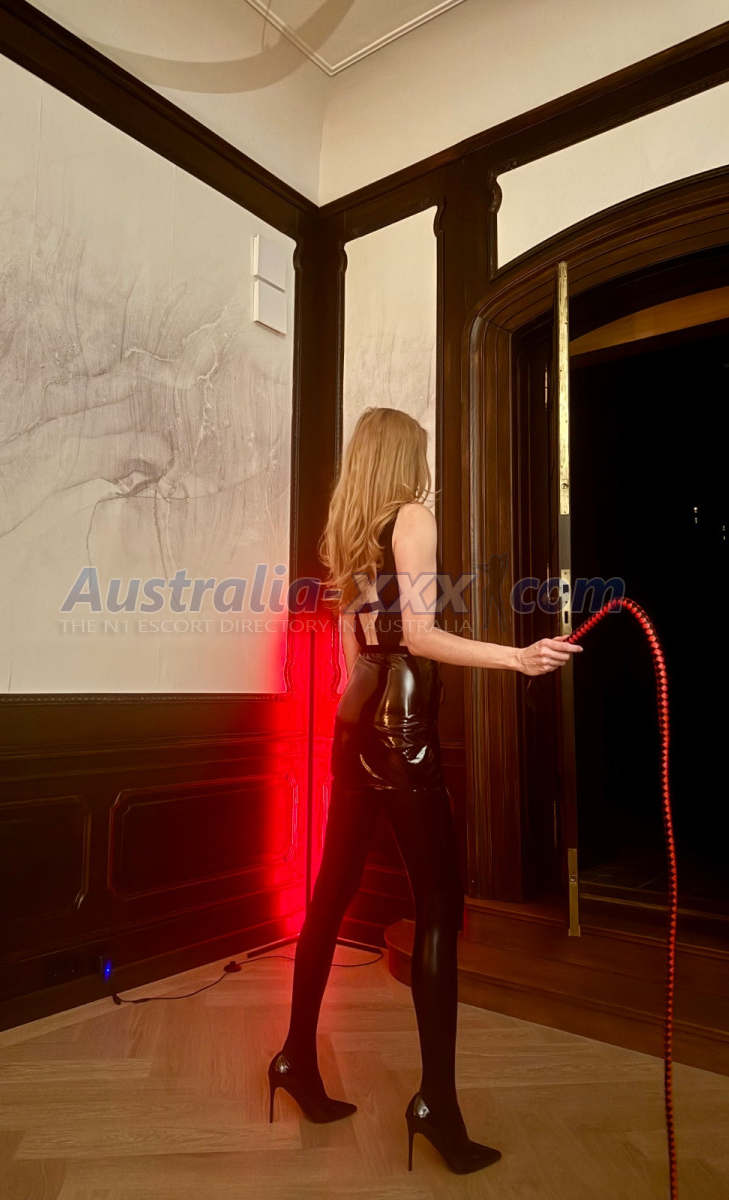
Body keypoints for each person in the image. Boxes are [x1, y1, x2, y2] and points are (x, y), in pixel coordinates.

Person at [267, 406, 582, 1174]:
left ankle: (295, 1058)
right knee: (440, 905)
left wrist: (356, 714)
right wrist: (518, 658)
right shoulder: (412, 518)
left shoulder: (352, 530)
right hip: (401, 727)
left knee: (330, 894)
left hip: (356, 719)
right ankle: (435, 1103)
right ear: (406, 457)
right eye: (422, 451)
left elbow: (354, 650)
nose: (427, 465)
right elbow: (418, 635)